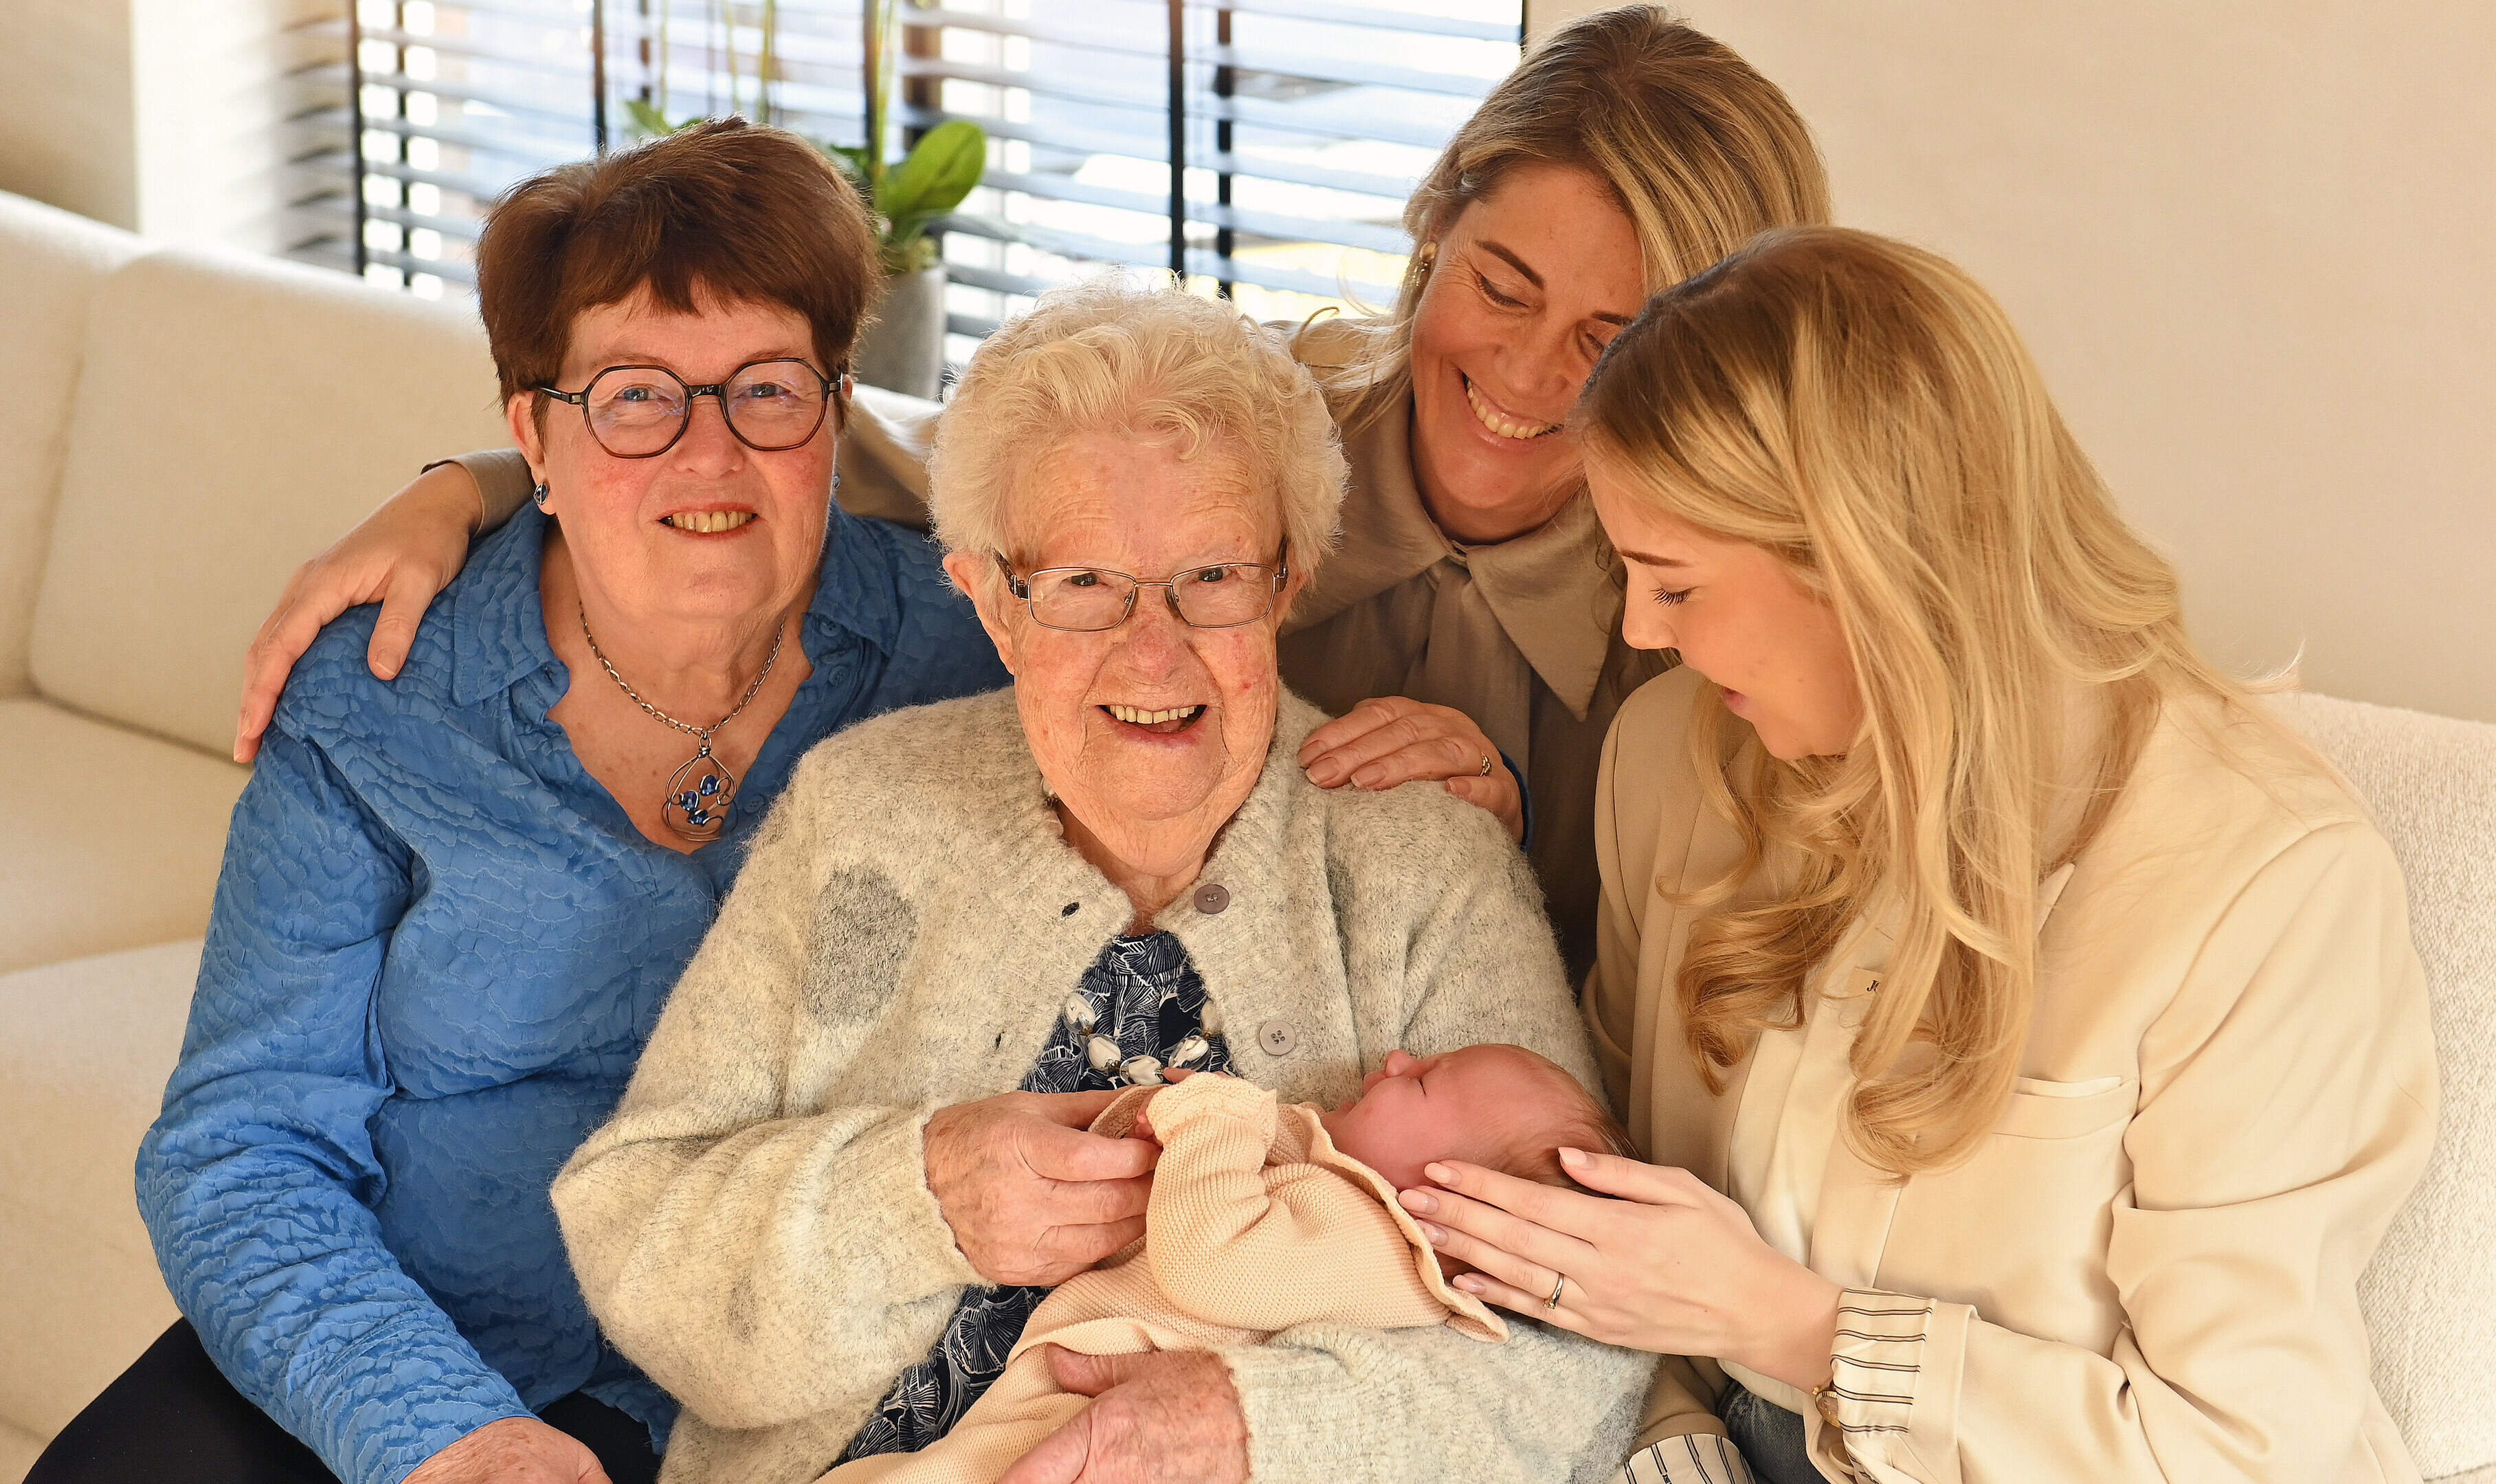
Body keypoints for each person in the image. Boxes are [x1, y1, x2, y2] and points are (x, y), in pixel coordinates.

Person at [225, 5, 1835, 976]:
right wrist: (493, 481)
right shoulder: (1227, 423)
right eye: (1499, 284)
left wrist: (1516, 838)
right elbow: (872, 459)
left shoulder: (1724, 620)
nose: (1534, 375)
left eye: (1612, 342)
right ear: (1432, 230)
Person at [26, 121, 1011, 1484]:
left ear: (836, 416)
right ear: (530, 439)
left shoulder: (974, 663)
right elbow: (240, 1145)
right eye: (632, 396)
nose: (707, 452)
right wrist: (450, 1435)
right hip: (399, 1329)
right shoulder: (381, 691)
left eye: (767, 390)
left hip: (770, 1381)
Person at [547, 282, 1655, 1484]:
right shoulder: (864, 814)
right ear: (989, 602)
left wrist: (1255, 1425)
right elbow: (636, 1226)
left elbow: (1584, 1347)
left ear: (1291, 581)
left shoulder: (1418, 865)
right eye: (1083, 586)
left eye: (1215, 577)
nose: (1154, 649)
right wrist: (914, 1198)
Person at [1389, 228, 2438, 1483]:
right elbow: (1613, 1199)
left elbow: (2249, 1453)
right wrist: (1671, 1428)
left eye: (1673, 581)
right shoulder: (1671, 759)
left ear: (1861, 566)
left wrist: (1788, 1327)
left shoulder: (2266, 885)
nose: (1638, 631)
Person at [818, 1048, 1628, 1484]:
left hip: (1077, 1431)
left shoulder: (1377, 1245)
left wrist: (1217, 1115)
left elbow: (1212, 1260)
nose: (1394, 1058)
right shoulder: (1346, 1205)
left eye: (1418, 1086)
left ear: (1447, 1203)